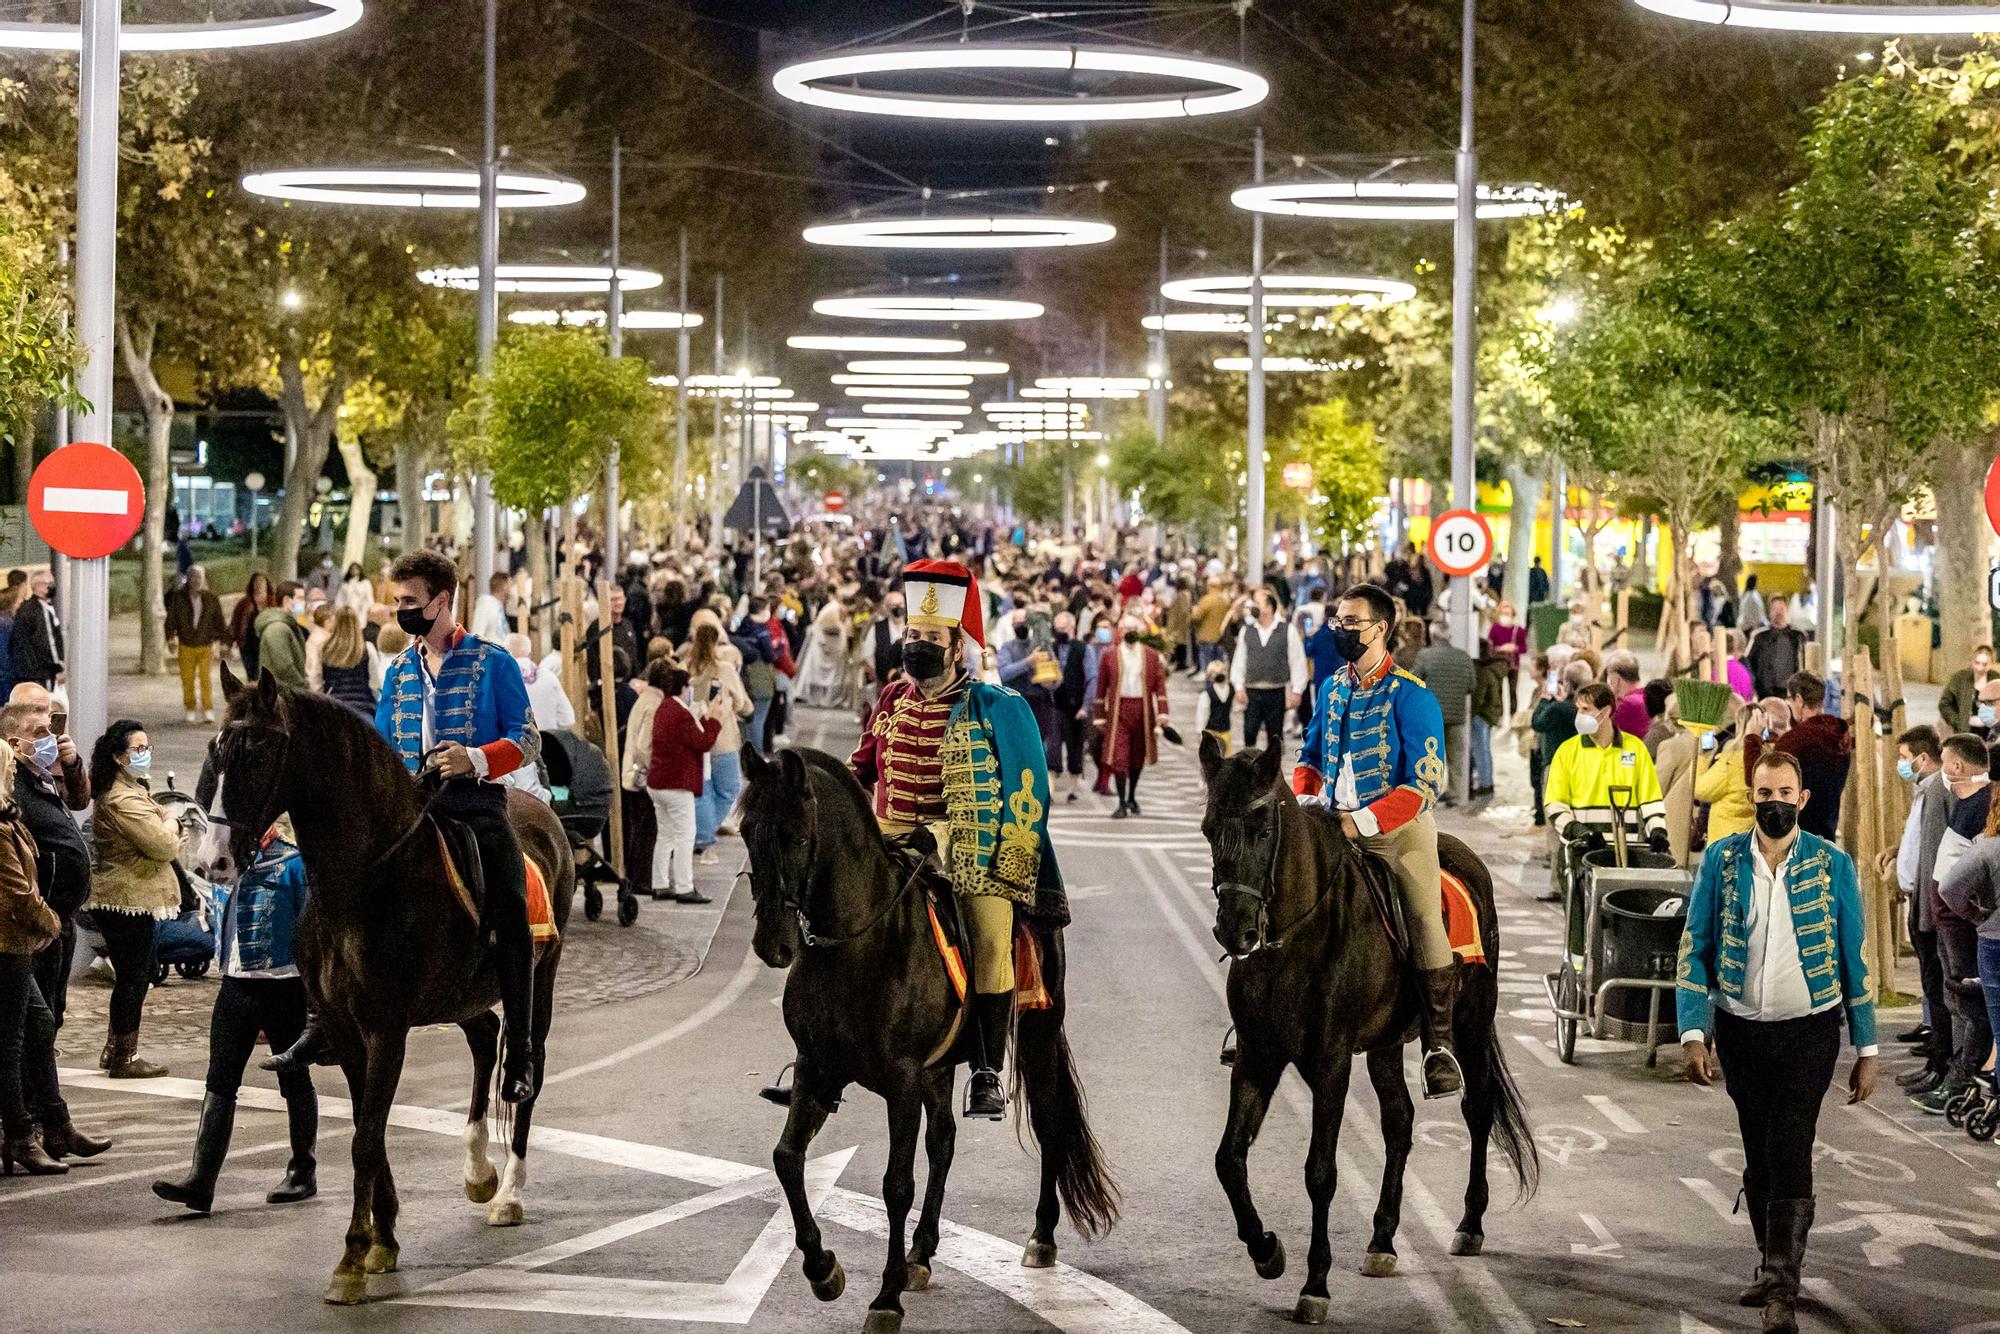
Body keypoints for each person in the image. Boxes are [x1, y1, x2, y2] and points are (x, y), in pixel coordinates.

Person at [276, 551, 540, 1102]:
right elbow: (379, 748)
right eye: (396, 602)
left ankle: (521, 1051)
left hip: (474, 805)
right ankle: (320, 1015)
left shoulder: (494, 663)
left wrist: (475, 757)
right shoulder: (397, 669)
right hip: (405, 804)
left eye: (409, 602)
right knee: (322, 887)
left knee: (512, 906)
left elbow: (529, 739)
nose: (399, 611)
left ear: (442, 601)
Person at [849, 559, 1064, 1119]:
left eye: (930, 638)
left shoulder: (997, 708)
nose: (916, 644)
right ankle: (820, 1050)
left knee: (991, 940)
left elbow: (1028, 791)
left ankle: (988, 1070)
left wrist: (1009, 865)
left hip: (963, 849)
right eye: (912, 634)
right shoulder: (892, 699)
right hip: (890, 837)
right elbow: (863, 769)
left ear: (956, 648)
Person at [1678, 749, 1878, 1334]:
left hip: (1811, 1033)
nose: (1774, 803)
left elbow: (1854, 959)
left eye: (1785, 794)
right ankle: (1772, 1263)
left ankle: (1782, 1288)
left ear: (1802, 799)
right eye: (1765, 794)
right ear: (1753, 796)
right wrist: (1695, 1033)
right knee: (1757, 1155)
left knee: (1790, 1148)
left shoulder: (1832, 863)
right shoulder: (1721, 860)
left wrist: (1867, 1050)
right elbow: (1696, 947)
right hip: (1740, 1032)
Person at [1292, 584, 1460, 1097]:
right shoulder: (1333, 687)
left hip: (1396, 832)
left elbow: (1426, 782)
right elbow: (1310, 756)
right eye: (1337, 620)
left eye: (1351, 623)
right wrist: (1305, 804)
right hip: (1330, 819)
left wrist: (1361, 822)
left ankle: (1439, 1044)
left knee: (1424, 913)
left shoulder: (1412, 694)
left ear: (1380, 629)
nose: (1340, 630)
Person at [151, 823, 317, 1213]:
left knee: (294, 1078)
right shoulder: (227, 861)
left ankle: (303, 1171)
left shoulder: (294, 862)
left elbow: (311, 931)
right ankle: (201, 1179)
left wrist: (314, 999)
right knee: (219, 1079)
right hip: (235, 982)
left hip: (285, 982)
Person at [86, 720, 179, 1079]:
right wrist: (171, 821)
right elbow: (162, 843)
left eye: (147, 747)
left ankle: (115, 1048)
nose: (145, 755)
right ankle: (126, 1056)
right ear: (117, 756)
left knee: (134, 974)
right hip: (126, 897)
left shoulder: (132, 788)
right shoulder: (120, 798)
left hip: (133, 895)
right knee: (134, 977)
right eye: (137, 750)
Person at [1886, 727, 1948, 1079]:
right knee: (1930, 983)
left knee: (1937, 987)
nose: (1901, 764)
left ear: (1923, 758)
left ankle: (1940, 1064)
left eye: (1905, 757)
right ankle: (1936, 1059)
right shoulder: (1923, 789)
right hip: (1917, 897)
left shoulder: (1938, 792)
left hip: (1930, 903)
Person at [1544, 683, 1672, 855]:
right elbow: (1555, 805)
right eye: (1578, 709)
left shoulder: (1635, 749)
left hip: (1626, 850)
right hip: (1580, 850)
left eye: (1585, 709)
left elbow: (1651, 800)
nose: (1579, 715)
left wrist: (1657, 831)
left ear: (1605, 712)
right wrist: (1579, 831)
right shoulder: (1567, 752)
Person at [646, 658, 720, 905]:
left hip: (657, 783)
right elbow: (703, 742)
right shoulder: (679, 713)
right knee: (685, 836)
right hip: (676, 785)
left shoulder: (664, 707)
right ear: (682, 688)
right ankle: (684, 887)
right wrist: (714, 719)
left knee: (665, 834)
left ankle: (659, 883)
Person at [1744, 671, 1851, 842]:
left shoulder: (1796, 740)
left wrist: (1752, 739)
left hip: (1796, 836)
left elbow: (1756, 779)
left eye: (1789, 699)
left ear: (1799, 700)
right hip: (1827, 829)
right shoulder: (1840, 734)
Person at [684, 612, 752, 864]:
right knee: (729, 788)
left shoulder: (685, 667)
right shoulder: (723, 669)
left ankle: (701, 832)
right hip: (722, 739)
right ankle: (704, 834)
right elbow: (743, 703)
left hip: (693, 737)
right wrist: (743, 709)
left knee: (703, 790)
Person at [1094, 614, 1168, 819]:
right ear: (1119, 631)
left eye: (1132, 628)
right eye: (1125, 628)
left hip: (1143, 710)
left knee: (1137, 757)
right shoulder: (1110, 655)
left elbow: (1160, 685)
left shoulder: (1151, 656)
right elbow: (1100, 688)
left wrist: (1162, 712)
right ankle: (1121, 803)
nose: (1128, 631)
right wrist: (1099, 716)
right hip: (1119, 710)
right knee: (1119, 757)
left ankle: (1132, 796)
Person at [1230, 586, 1305, 761]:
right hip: (1252, 691)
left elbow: (1297, 661)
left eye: (1258, 603)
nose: (1254, 606)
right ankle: (1248, 773)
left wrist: (1297, 690)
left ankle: (1273, 775)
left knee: (1275, 736)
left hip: (1276, 691)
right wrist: (1239, 687)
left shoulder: (1287, 630)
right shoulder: (1247, 631)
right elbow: (1240, 660)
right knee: (1249, 733)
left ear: (1269, 607)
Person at [1413, 622, 1476, 808]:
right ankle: (1456, 795)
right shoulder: (1463, 657)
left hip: (1431, 717)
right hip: (1457, 716)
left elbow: (1413, 680)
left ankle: (1429, 795)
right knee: (1456, 757)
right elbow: (1472, 686)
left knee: (1431, 757)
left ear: (1432, 636)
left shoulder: (1425, 656)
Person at [1532, 660, 1593, 832]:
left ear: (1567, 683)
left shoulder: (1559, 709)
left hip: (1556, 765)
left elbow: (1537, 722)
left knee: (1556, 818)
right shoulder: (1589, 707)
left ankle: (1556, 856)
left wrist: (1545, 700)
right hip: (1583, 765)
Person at [165, 565, 228, 724]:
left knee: (205, 678)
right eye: (193, 577)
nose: (197, 580)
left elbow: (219, 622)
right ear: (189, 578)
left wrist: (224, 642)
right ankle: (190, 708)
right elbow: (171, 619)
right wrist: (170, 638)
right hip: (186, 644)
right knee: (187, 679)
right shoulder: (179, 598)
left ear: (204, 579)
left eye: (200, 577)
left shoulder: (211, 598)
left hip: (205, 644)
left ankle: (208, 710)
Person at [1693, 698, 1758, 843]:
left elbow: (1701, 790)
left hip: (1726, 838)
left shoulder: (1732, 759)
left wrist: (1702, 757)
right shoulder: (1770, 755)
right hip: (1754, 837)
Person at [1048, 610, 1095, 802]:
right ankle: (1049, 790)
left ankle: (1072, 789)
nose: (1059, 632)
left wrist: (1086, 706)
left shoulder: (1084, 649)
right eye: (1057, 628)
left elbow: (1092, 678)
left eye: (1063, 628)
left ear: (1072, 628)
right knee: (1052, 749)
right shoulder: (1050, 647)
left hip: (1076, 707)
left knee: (1075, 749)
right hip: (1055, 706)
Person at [506, 632, 574, 735]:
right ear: (530, 653)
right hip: (547, 745)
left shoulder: (499, 680)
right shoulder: (549, 677)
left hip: (513, 746)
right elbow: (568, 720)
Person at [314, 606, 376, 717]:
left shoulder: (323, 648)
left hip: (334, 708)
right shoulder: (367, 648)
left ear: (335, 623)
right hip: (363, 708)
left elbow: (316, 681)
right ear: (357, 624)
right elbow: (375, 684)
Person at [1744, 596, 1807, 701]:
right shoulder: (1760, 637)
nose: (1778, 613)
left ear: (1787, 610)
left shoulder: (1798, 637)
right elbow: (1749, 663)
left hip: (1791, 694)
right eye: (1774, 609)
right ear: (1769, 612)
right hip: (1766, 694)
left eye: (1781, 609)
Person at [10, 570, 62, 692]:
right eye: (49, 583)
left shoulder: (27, 608)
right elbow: (47, 641)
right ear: (39, 586)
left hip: (27, 672)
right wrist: (57, 667)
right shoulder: (39, 610)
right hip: (41, 674)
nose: (52, 586)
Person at [1469, 645, 1508, 801]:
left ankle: (1485, 785)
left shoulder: (1483, 673)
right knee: (1484, 750)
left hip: (1481, 715)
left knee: (1479, 751)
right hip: (1490, 714)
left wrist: (1470, 714)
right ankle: (1487, 783)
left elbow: (1478, 697)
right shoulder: (1494, 671)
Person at [255, 581, 309, 690]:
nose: (304, 603)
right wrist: (304, 686)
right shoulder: (277, 628)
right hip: (280, 696)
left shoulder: (289, 625)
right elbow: (284, 667)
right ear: (287, 601)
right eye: (300, 598)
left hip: (286, 693)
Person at [1940, 644, 1995, 736]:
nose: (1980, 668)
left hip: (1991, 734)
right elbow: (1945, 704)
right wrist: (1958, 721)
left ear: (1991, 664)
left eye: (1984, 664)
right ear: (1972, 661)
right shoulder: (1959, 679)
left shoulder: (1996, 680)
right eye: (1977, 663)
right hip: (1965, 732)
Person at [232, 571, 274, 681]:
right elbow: (236, 623)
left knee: (267, 675)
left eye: (261, 581)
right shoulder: (244, 603)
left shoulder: (273, 602)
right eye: (256, 581)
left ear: (266, 584)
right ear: (252, 584)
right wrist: (234, 641)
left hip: (268, 644)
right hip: (248, 646)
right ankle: (254, 696)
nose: (259, 584)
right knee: (252, 676)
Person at [1191, 578, 1233, 674]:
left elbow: (1196, 616)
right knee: (1220, 667)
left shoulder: (1207, 599)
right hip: (1221, 637)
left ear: (1210, 586)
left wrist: (1193, 611)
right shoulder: (1225, 600)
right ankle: (1220, 688)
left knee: (1209, 667)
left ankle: (1209, 688)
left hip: (1207, 637)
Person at [1194, 657, 1233, 754]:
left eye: (1222, 671)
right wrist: (1200, 731)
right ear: (1210, 676)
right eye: (1215, 673)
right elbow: (1202, 713)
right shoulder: (1207, 694)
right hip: (1211, 732)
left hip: (1225, 731)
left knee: (1227, 758)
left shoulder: (1232, 690)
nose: (1220, 674)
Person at [1737, 572, 1768, 637]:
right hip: (1750, 627)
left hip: (1743, 624)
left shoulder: (1744, 593)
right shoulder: (1753, 596)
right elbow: (1758, 613)